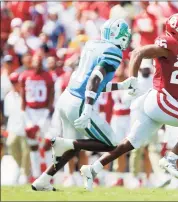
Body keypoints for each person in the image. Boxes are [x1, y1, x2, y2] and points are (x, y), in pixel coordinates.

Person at [81, 13, 178, 191]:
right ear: (174, 32)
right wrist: (133, 79)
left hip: (158, 101)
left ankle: (92, 169)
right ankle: (171, 158)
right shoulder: (169, 45)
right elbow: (138, 52)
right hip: (161, 98)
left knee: (131, 142)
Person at [31, 18, 134, 191]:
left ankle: (43, 180)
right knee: (112, 143)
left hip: (66, 98)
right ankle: (64, 146)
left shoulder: (93, 44)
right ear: (117, 35)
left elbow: (93, 81)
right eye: (124, 35)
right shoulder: (113, 51)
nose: (126, 39)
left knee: (70, 147)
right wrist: (87, 109)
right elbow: (94, 79)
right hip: (78, 103)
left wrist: (121, 86)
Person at [19, 54, 55, 182]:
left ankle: (49, 175)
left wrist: (45, 117)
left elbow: (51, 97)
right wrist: (27, 119)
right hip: (30, 112)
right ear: (31, 62)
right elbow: (23, 99)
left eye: (40, 61)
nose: (38, 63)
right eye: (36, 61)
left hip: (43, 112)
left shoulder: (48, 76)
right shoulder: (25, 75)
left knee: (46, 144)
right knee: (33, 145)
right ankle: (36, 174)